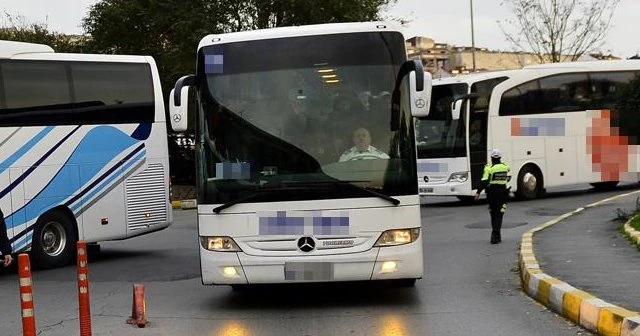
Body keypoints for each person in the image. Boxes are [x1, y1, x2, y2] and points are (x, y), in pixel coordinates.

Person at [474, 149, 511, 244]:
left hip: (491, 194)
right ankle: (496, 236)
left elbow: (484, 181)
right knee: (500, 214)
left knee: (493, 214)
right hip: (502, 193)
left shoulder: (489, 168)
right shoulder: (505, 167)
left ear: (491, 158)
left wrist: (478, 192)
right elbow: (508, 169)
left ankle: (495, 235)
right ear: (500, 157)